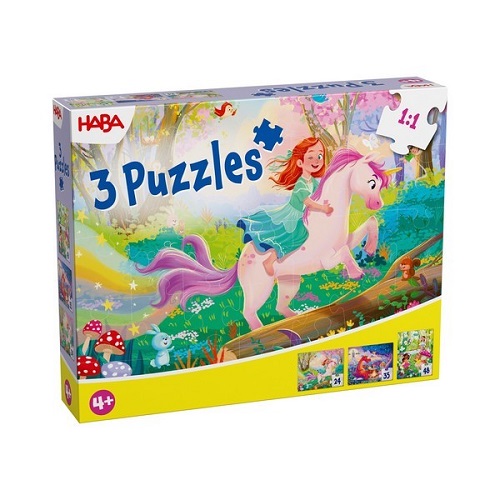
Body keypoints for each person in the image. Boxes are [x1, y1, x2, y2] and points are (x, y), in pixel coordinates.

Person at [237, 137, 333, 276]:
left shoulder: (312, 181)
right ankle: (270, 261)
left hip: (303, 214)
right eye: (310, 157)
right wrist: (323, 208)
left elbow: (320, 194)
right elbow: (308, 202)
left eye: (319, 156)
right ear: (300, 162)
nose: (317, 160)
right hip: (293, 214)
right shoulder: (301, 184)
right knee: (295, 236)